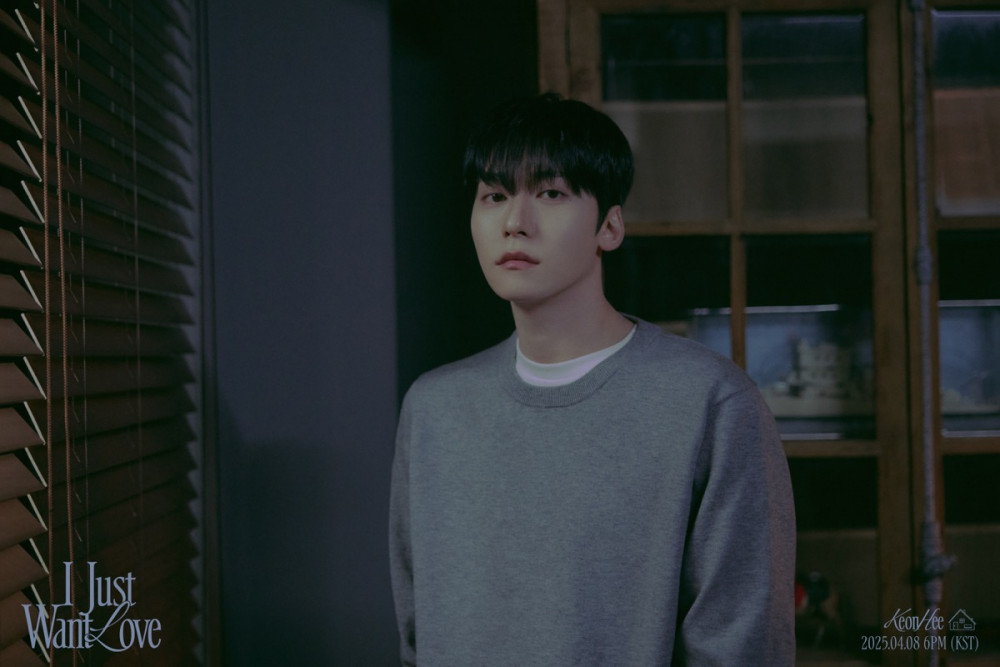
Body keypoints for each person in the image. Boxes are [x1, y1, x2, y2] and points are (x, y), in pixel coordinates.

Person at [389, 93, 795, 665]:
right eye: (494, 196)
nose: (515, 223)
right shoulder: (435, 409)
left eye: (551, 194)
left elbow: (741, 644)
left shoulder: (708, 402)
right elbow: (417, 637)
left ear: (610, 226)